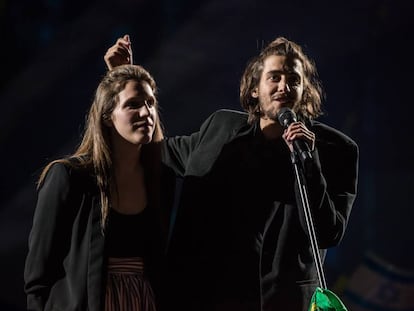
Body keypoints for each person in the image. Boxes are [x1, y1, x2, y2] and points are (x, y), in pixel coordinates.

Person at [104, 35, 359, 311]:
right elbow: (156, 152)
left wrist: (309, 162)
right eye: (274, 77)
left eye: (294, 80)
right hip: (205, 296)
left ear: (304, 91)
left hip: (281, 302)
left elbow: (328, 232)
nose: (284, 86)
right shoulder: (221, 129)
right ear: (254, 89)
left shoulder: (335, 149)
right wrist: (121, 80)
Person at [24, 64, 174, 311]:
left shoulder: (161, 179)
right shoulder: (69, 177)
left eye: (150, 103)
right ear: (107, 116)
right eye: (133, 104)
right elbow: (38, 275)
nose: (146, 112)